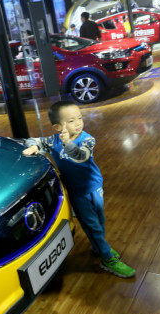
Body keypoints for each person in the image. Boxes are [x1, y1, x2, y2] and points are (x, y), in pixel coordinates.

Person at [22, 100, 136, 278]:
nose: (78, 123)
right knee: (92, 225)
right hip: (78, 193)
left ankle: (98, 245)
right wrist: (35, 146)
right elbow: (31, 140)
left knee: (99, 219)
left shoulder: (87, 139)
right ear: (58, 126)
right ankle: (107, 257)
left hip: (95, 186)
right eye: (72, 120)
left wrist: (68, 143)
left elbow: (81, 156)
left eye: (80, 118)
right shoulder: (52, 141)